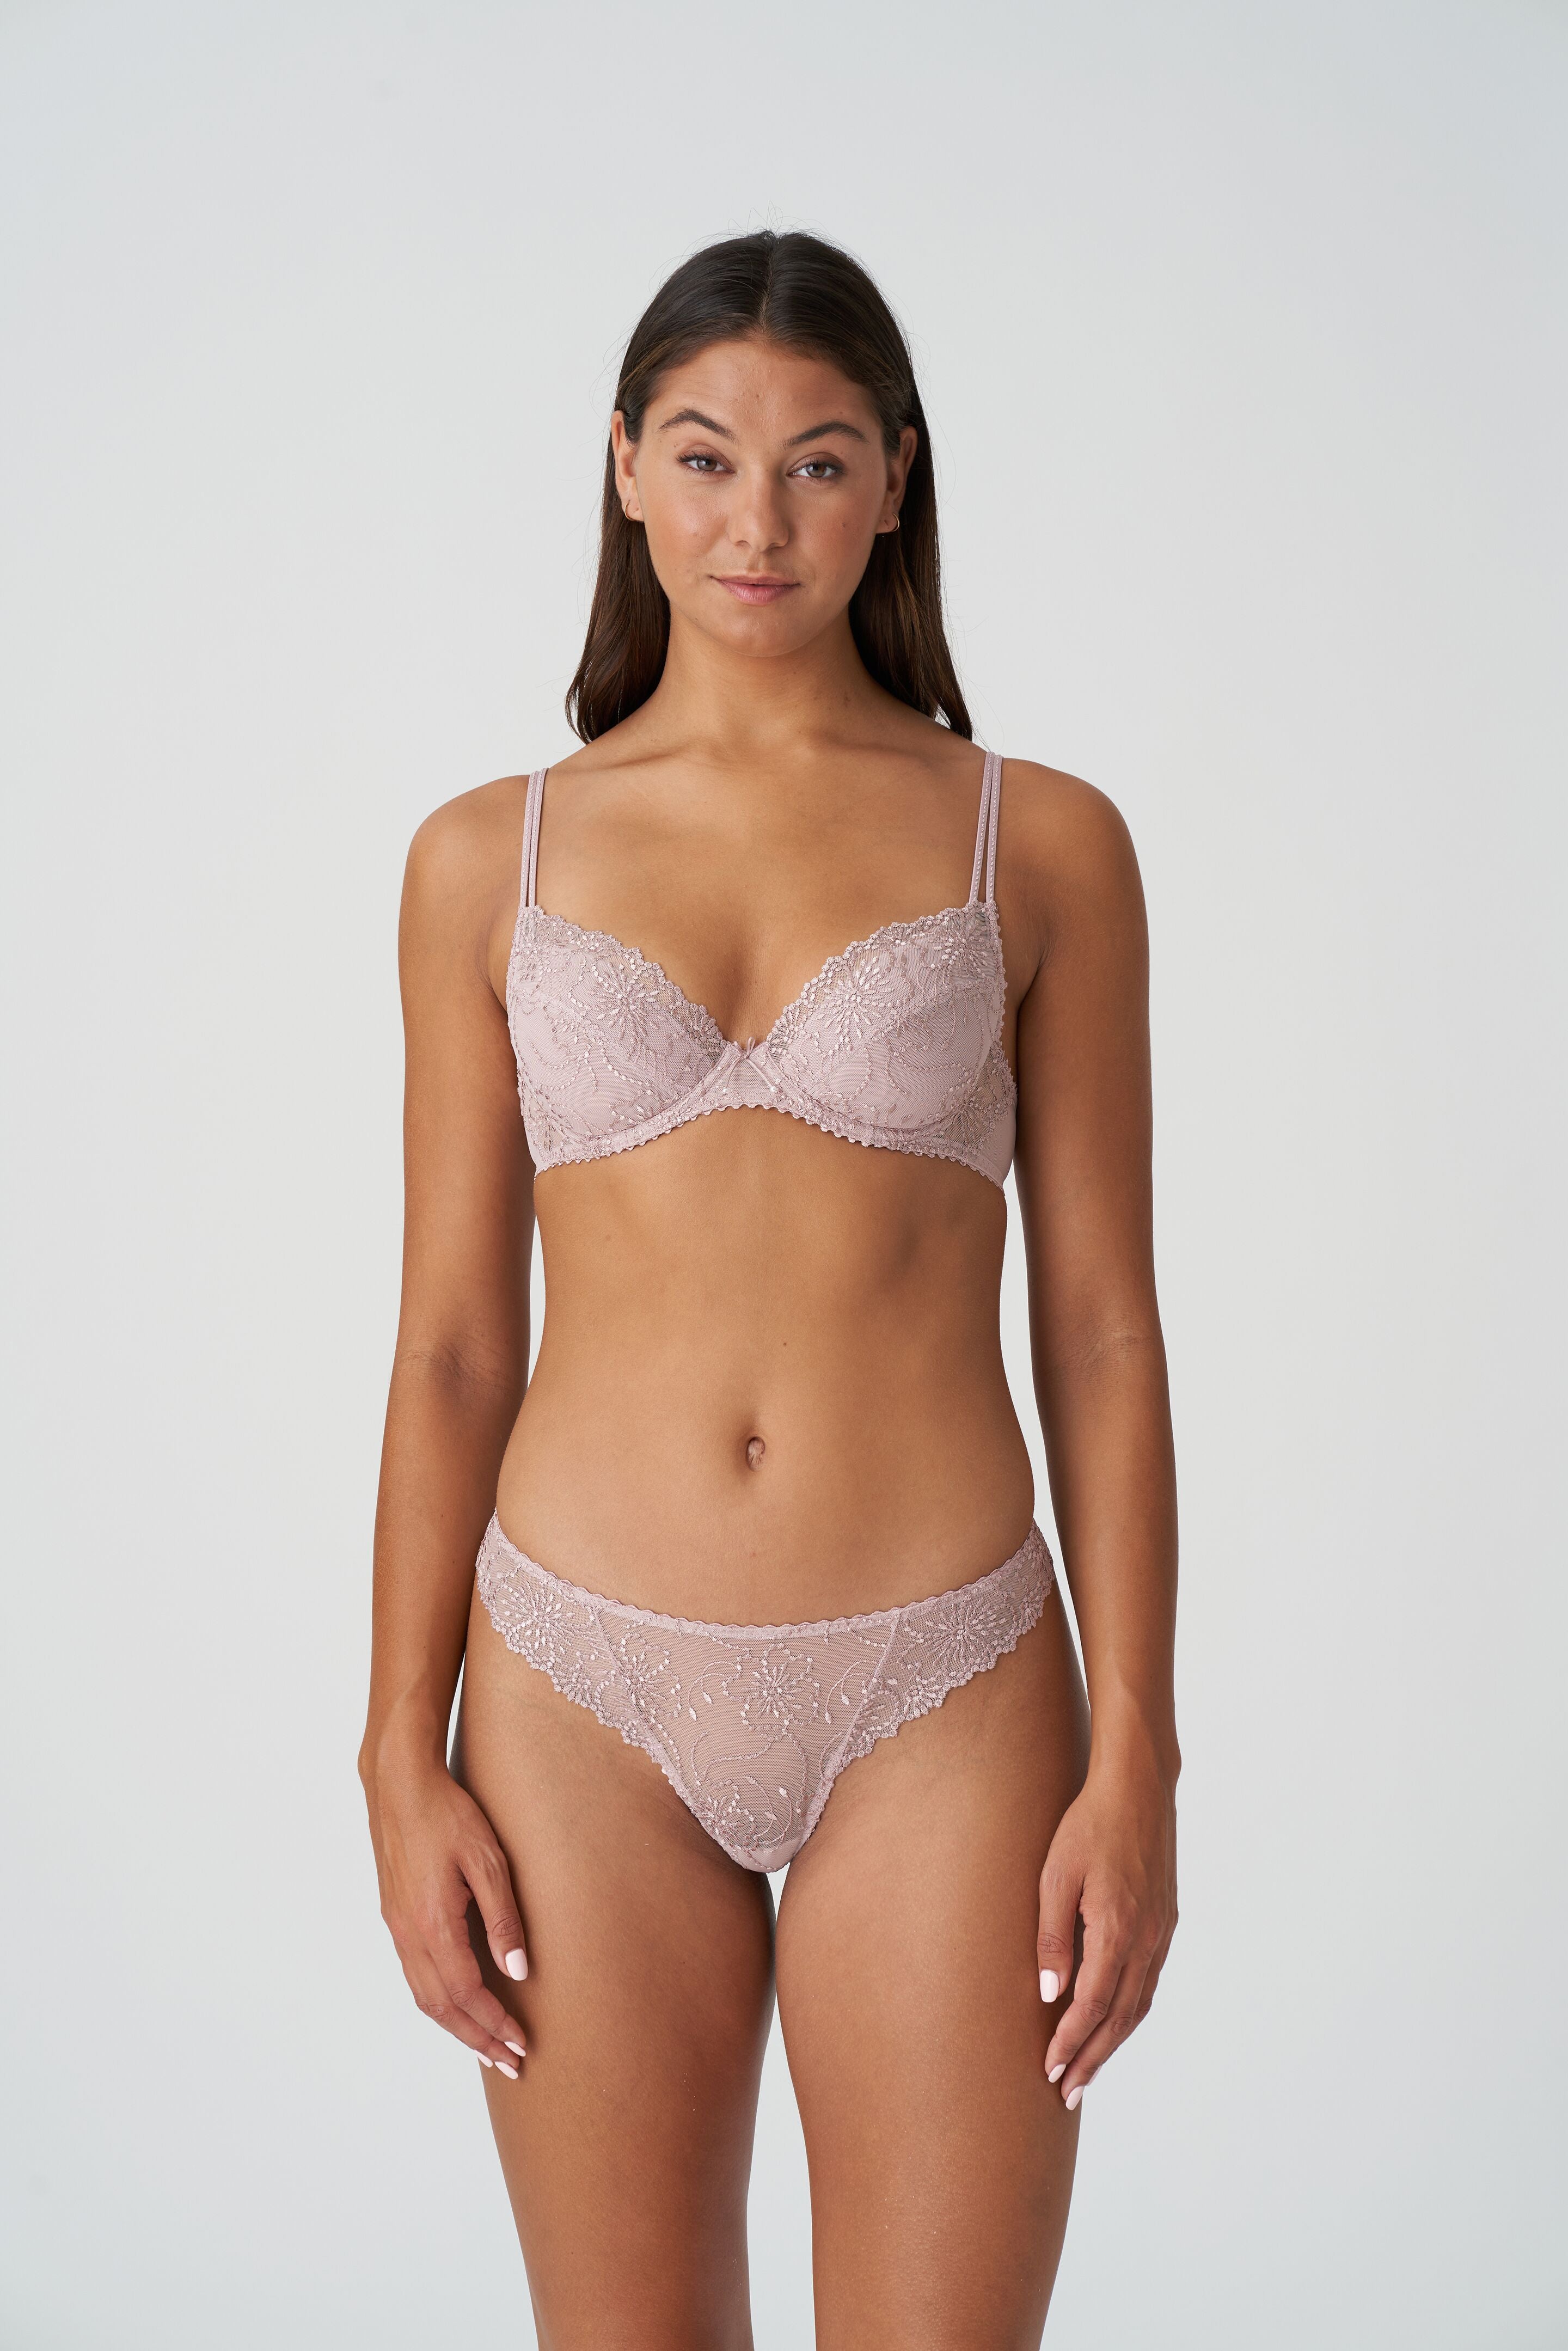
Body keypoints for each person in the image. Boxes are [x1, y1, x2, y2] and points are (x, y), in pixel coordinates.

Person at [358, 227, 1179, 2348]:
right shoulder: (487, 860)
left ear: (896, 482)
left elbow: (1102, 1328)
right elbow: (451, 1343)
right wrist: (393, 1750)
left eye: (819, 462)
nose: (759, 519)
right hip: (574, 1687)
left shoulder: (1039, 842)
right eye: (710, 455)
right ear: (626, 466)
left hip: (947, 1682)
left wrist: (1141, 1758)